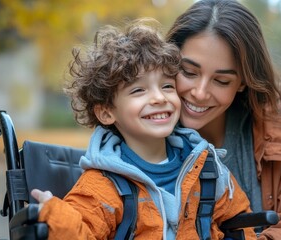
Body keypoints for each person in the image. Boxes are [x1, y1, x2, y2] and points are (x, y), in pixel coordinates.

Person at [30, 18, 256, 240]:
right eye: (138, 90)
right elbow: (83, 234)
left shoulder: (206, 167)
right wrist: (57, 217)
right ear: (107, 112)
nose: (159, 97)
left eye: (167, 86)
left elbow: (239, 219)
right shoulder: (102, 185)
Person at [166, 0, 281, 239]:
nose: (200, 93)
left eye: (221, 81)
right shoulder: (133, 120)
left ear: (244, 80)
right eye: (189, 72)